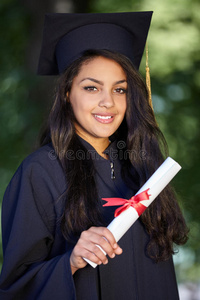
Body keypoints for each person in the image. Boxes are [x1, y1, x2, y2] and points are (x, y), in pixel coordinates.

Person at [0, 12, 188, 300]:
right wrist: (71, 261)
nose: (108, 102)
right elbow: (16, 289)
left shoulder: (142, 167)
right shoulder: (40, 172)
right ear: (66, 93)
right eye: (91, 87)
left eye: (120, 89)